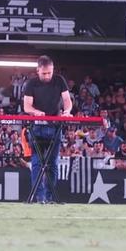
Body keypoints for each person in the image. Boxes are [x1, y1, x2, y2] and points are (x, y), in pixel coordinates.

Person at [21, 55, 72, 204]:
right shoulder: (31, 83)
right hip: (37, 126)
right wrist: (35, 112)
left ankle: (50, 197)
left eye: (49, 73)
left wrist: (67, 111)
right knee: (37, 163)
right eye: (44, 73)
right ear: (38, 70)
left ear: (53, 69)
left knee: (53, 163)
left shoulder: (59, 80)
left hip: (55, 126)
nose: (47, 76)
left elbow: (67, 100)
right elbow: (26, 106)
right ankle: (39, 198)